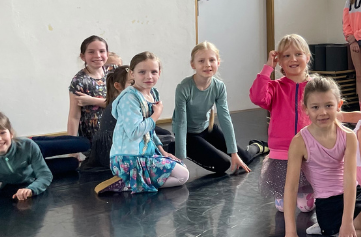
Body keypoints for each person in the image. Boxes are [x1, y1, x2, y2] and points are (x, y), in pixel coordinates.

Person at [270, 75, 361, 237]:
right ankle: (332, 230)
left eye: (328, 105)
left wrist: (347, 222)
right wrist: (290, 235)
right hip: (330, 204)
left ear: (339, 105)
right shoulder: (300, 142)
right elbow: (290, 188)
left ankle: (340, 228)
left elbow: (349, 181)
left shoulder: (348, 136)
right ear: (305, 109)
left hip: (355, 194)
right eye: (315, 107)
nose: (322, 112)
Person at [95, 52, 189, 194]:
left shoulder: (153, 93)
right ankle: (129, 183)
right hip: (129, 159)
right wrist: (156, 115)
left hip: (145, 154)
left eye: (153, 72)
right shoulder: (129, 98)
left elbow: (149, 131)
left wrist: (163, 152)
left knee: (181, 167)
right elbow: (134, 133)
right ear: (132, 74)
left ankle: (134, 181)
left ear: (159, 73)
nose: (148, 76)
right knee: (182, 176)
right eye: (142, 72)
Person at [249, 34, 317, 213]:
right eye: (286, 55)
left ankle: (308, 190)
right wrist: (267, 68)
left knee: (306, 207)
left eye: (298, 54)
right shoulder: (274, 87)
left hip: (308, 152)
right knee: (282, 208)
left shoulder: (315, 87)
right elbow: (257, 97)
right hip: (281, 154)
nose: (293, 59)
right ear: (279, 61)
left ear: (307, 57)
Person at [173, 41, 258, 176]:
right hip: (189, 134)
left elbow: (225, 119)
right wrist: (179, 156)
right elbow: (181, 123)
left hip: (208, 128)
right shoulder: (183, 88)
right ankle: (172, 146)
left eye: (211, 60)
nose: (207, 64)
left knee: (245, 158)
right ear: (193, 65)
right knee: (223, 165)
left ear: (218, 63)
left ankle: (257, 146)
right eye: (201, 61)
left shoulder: (219, 86)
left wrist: (234, 153)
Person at [68, 35, 111, 141]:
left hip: (117, 135)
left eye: (102, 51)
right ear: (83, 56)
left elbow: (121, 103)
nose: (97, 55)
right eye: (91, 52)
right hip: (92, 138)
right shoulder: (79, 81)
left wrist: (92, 101)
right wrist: (71, 144)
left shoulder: (114, 72)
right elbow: (74, 117)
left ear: (107, 54)